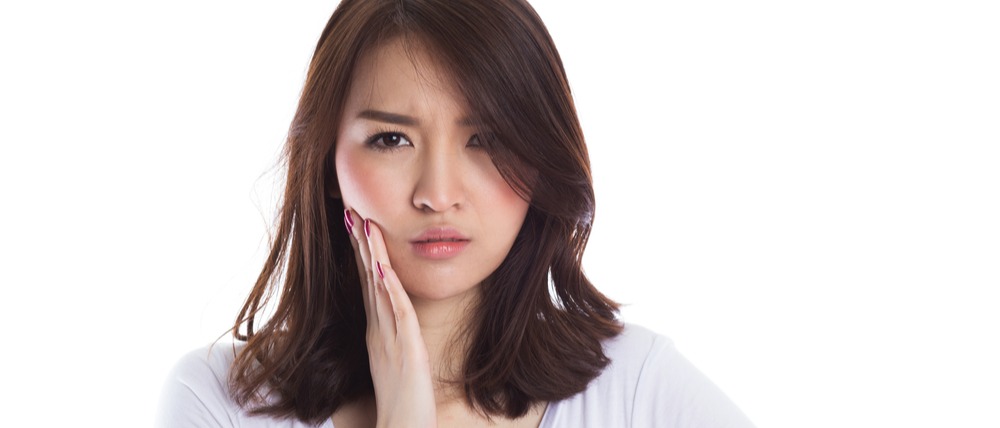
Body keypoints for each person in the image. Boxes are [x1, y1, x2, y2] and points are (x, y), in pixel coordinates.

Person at [157, 0, 755, 426]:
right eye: (392, 140)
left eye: (486, 140)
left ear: (540, 157)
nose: (438, 194)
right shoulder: (221, 403)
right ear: (328, 165)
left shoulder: (636, 390)